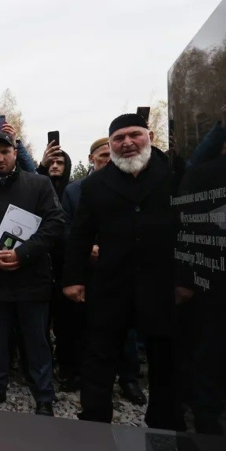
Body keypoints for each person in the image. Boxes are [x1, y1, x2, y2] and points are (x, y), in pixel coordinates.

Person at [63, 113, 183, 431]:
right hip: (111, 284)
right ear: (111, 144)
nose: (127, 143)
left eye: (134, 135)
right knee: (99, 355)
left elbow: (190, 231)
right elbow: (80, 235)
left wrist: (186, 279)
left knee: (163, 357)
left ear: (150, 136)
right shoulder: (95, 186)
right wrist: (73, 279)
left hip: (161, 284)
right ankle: (94, 420)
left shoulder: (175, 175)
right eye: (119, 138)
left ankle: (164, 423)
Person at [0, 132, 64, 414]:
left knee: (36, 340)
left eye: (5, 152)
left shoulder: (39, 184)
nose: (0, 158)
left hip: (31, 278)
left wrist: (24, 252)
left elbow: (55, 223)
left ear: (15, 153)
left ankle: (44, 394)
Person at [58, 138, 146, 406]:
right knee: (87, 326)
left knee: (126, 328)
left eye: (110, 155)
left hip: (122, 269)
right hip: (89, 269)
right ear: (91, 158)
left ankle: (129, 378)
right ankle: (88, 377)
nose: (107, 160)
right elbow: (67, 227)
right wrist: (89, 249)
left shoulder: (132, 187)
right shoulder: (75, 191)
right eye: (102, 156)